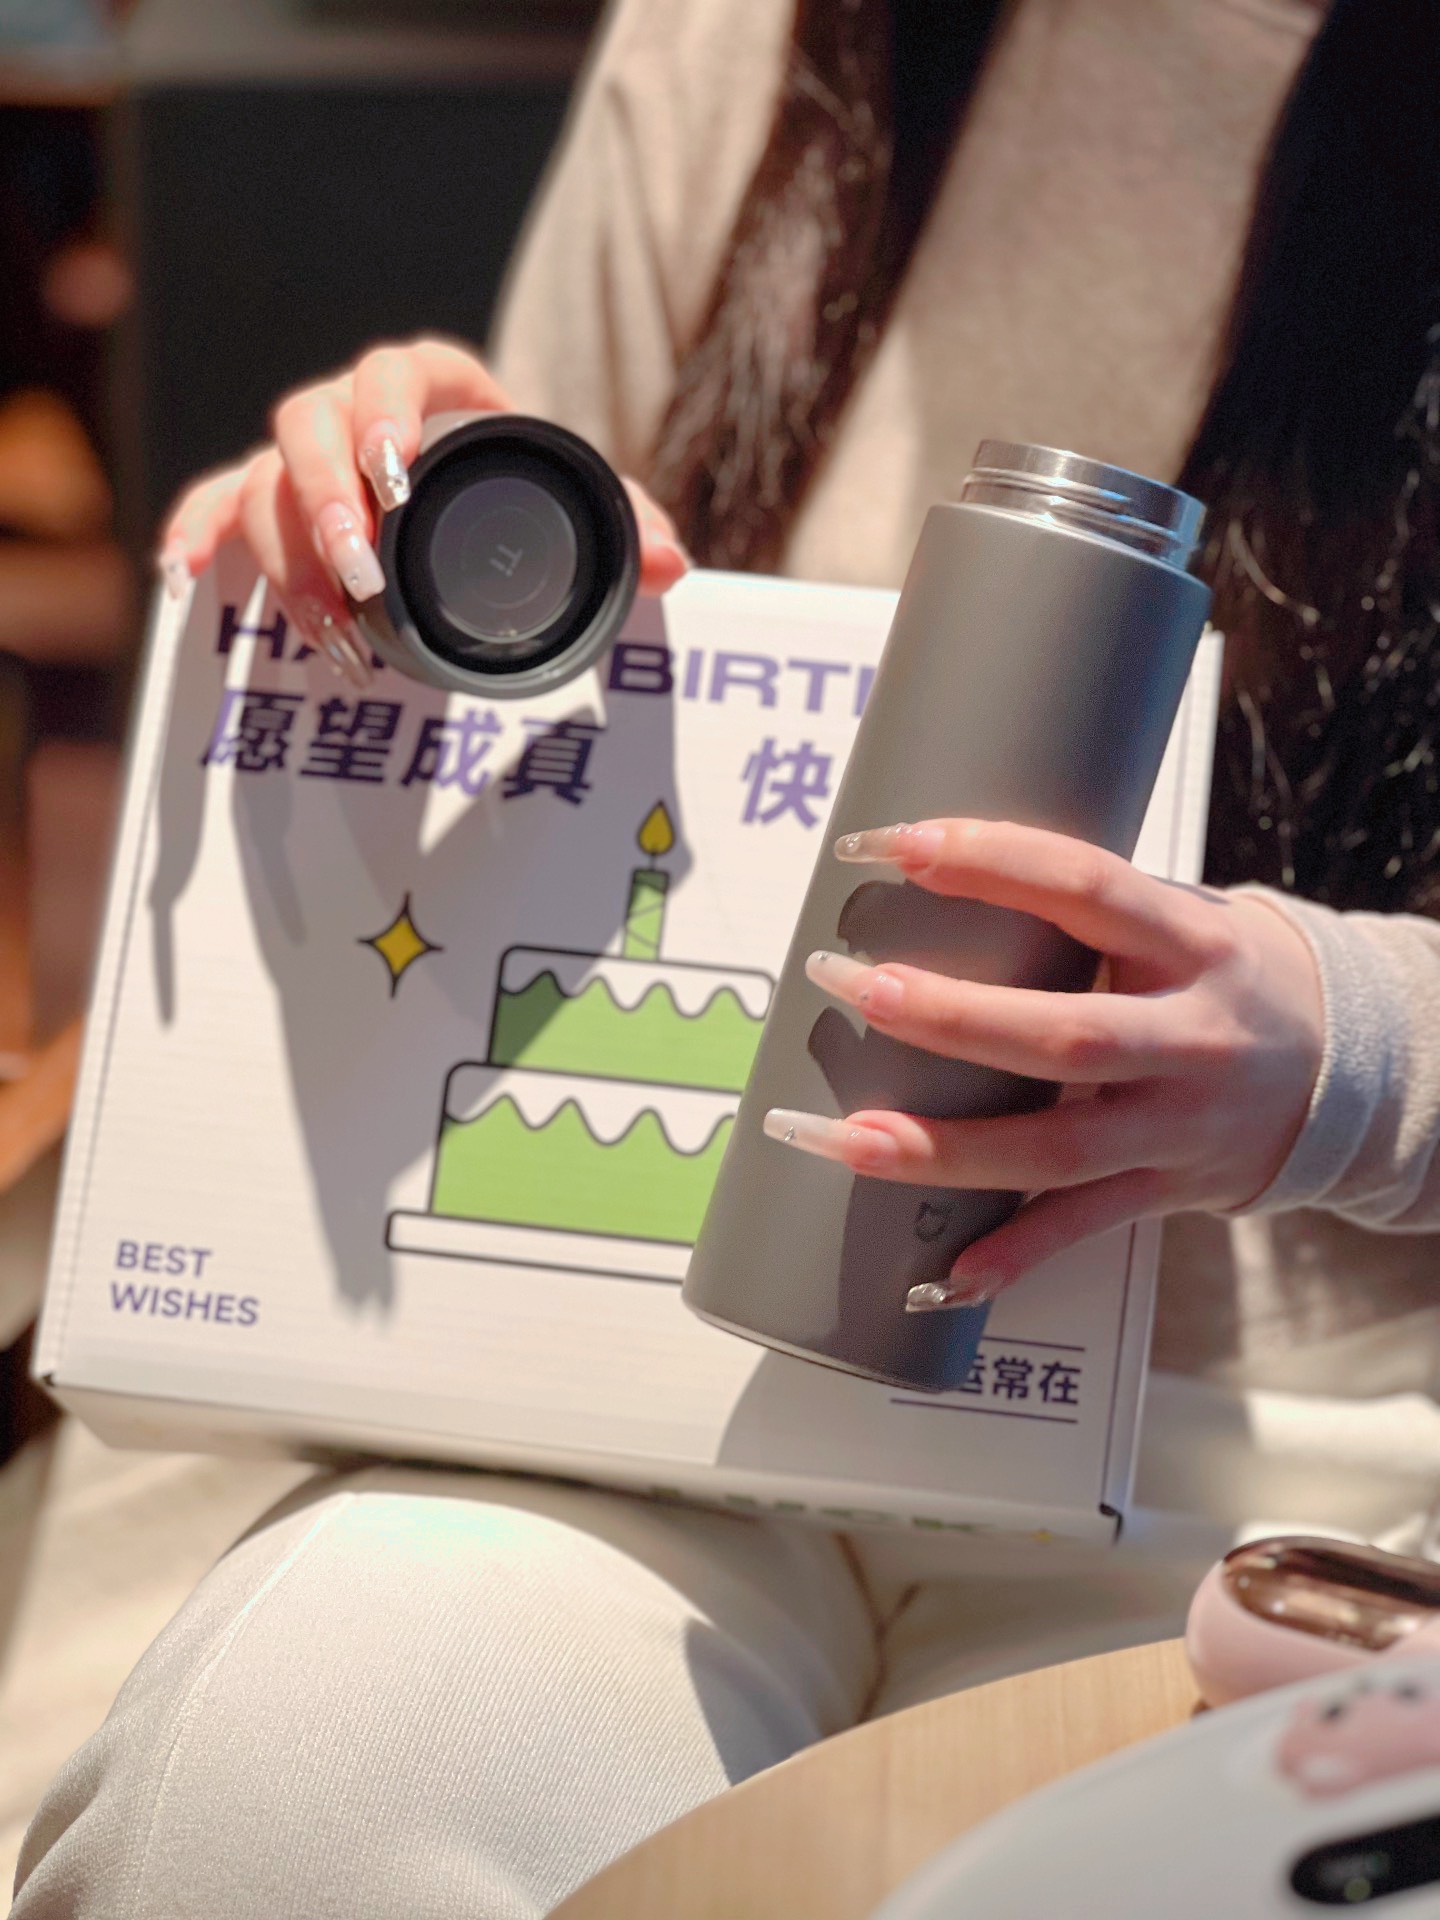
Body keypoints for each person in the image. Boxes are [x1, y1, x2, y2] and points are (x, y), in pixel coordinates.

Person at [14, 0, 1440, 1915]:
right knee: (299, 1778)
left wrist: (1348, 1051)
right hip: (642, 1358)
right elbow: (564, 689)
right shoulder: (758, 33)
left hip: (1269, 1474)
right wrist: (430, 532)